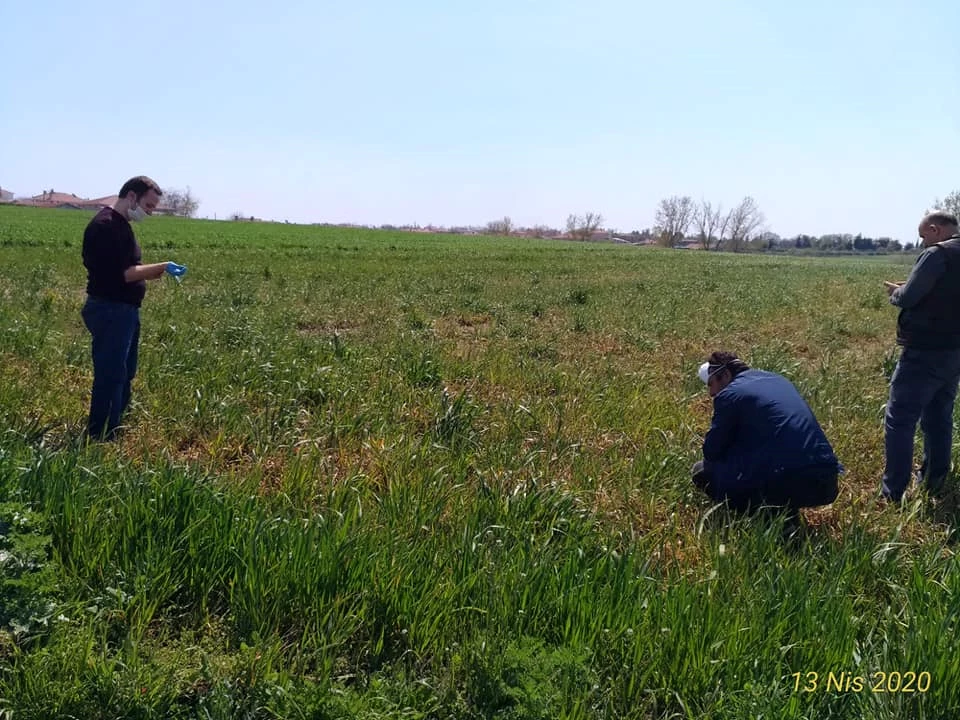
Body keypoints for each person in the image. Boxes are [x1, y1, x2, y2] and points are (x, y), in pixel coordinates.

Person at [81, 175, 187, 440]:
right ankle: (101, 435)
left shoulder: (121, 225)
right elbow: (123, 274)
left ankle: (116, 424)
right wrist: (160, 268)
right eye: (148, 205)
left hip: (124, 311)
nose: (149, 212)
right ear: (131, 196)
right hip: (110, 310)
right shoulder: (106, 227)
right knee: (111, 374)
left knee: (125, 371)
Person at [692, 351, 841, 514]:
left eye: (711, 384)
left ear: (726, 374)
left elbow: (712, 452)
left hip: (787, 480)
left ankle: (769, 517)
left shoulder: (730, 395)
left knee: (702, 471)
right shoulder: (779, 380)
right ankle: (784, 513)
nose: (711, 393)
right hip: (827, 481)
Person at [880, 211, 960, 502]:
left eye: (924, 235)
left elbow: (909, 297)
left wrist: (896, 292)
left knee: (900, 419)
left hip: (925, 350)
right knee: (940, 415)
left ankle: (892, 492)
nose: (922, 241)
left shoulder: (937, 255)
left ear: (936, 230)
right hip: (955, 351)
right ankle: (934, 478)